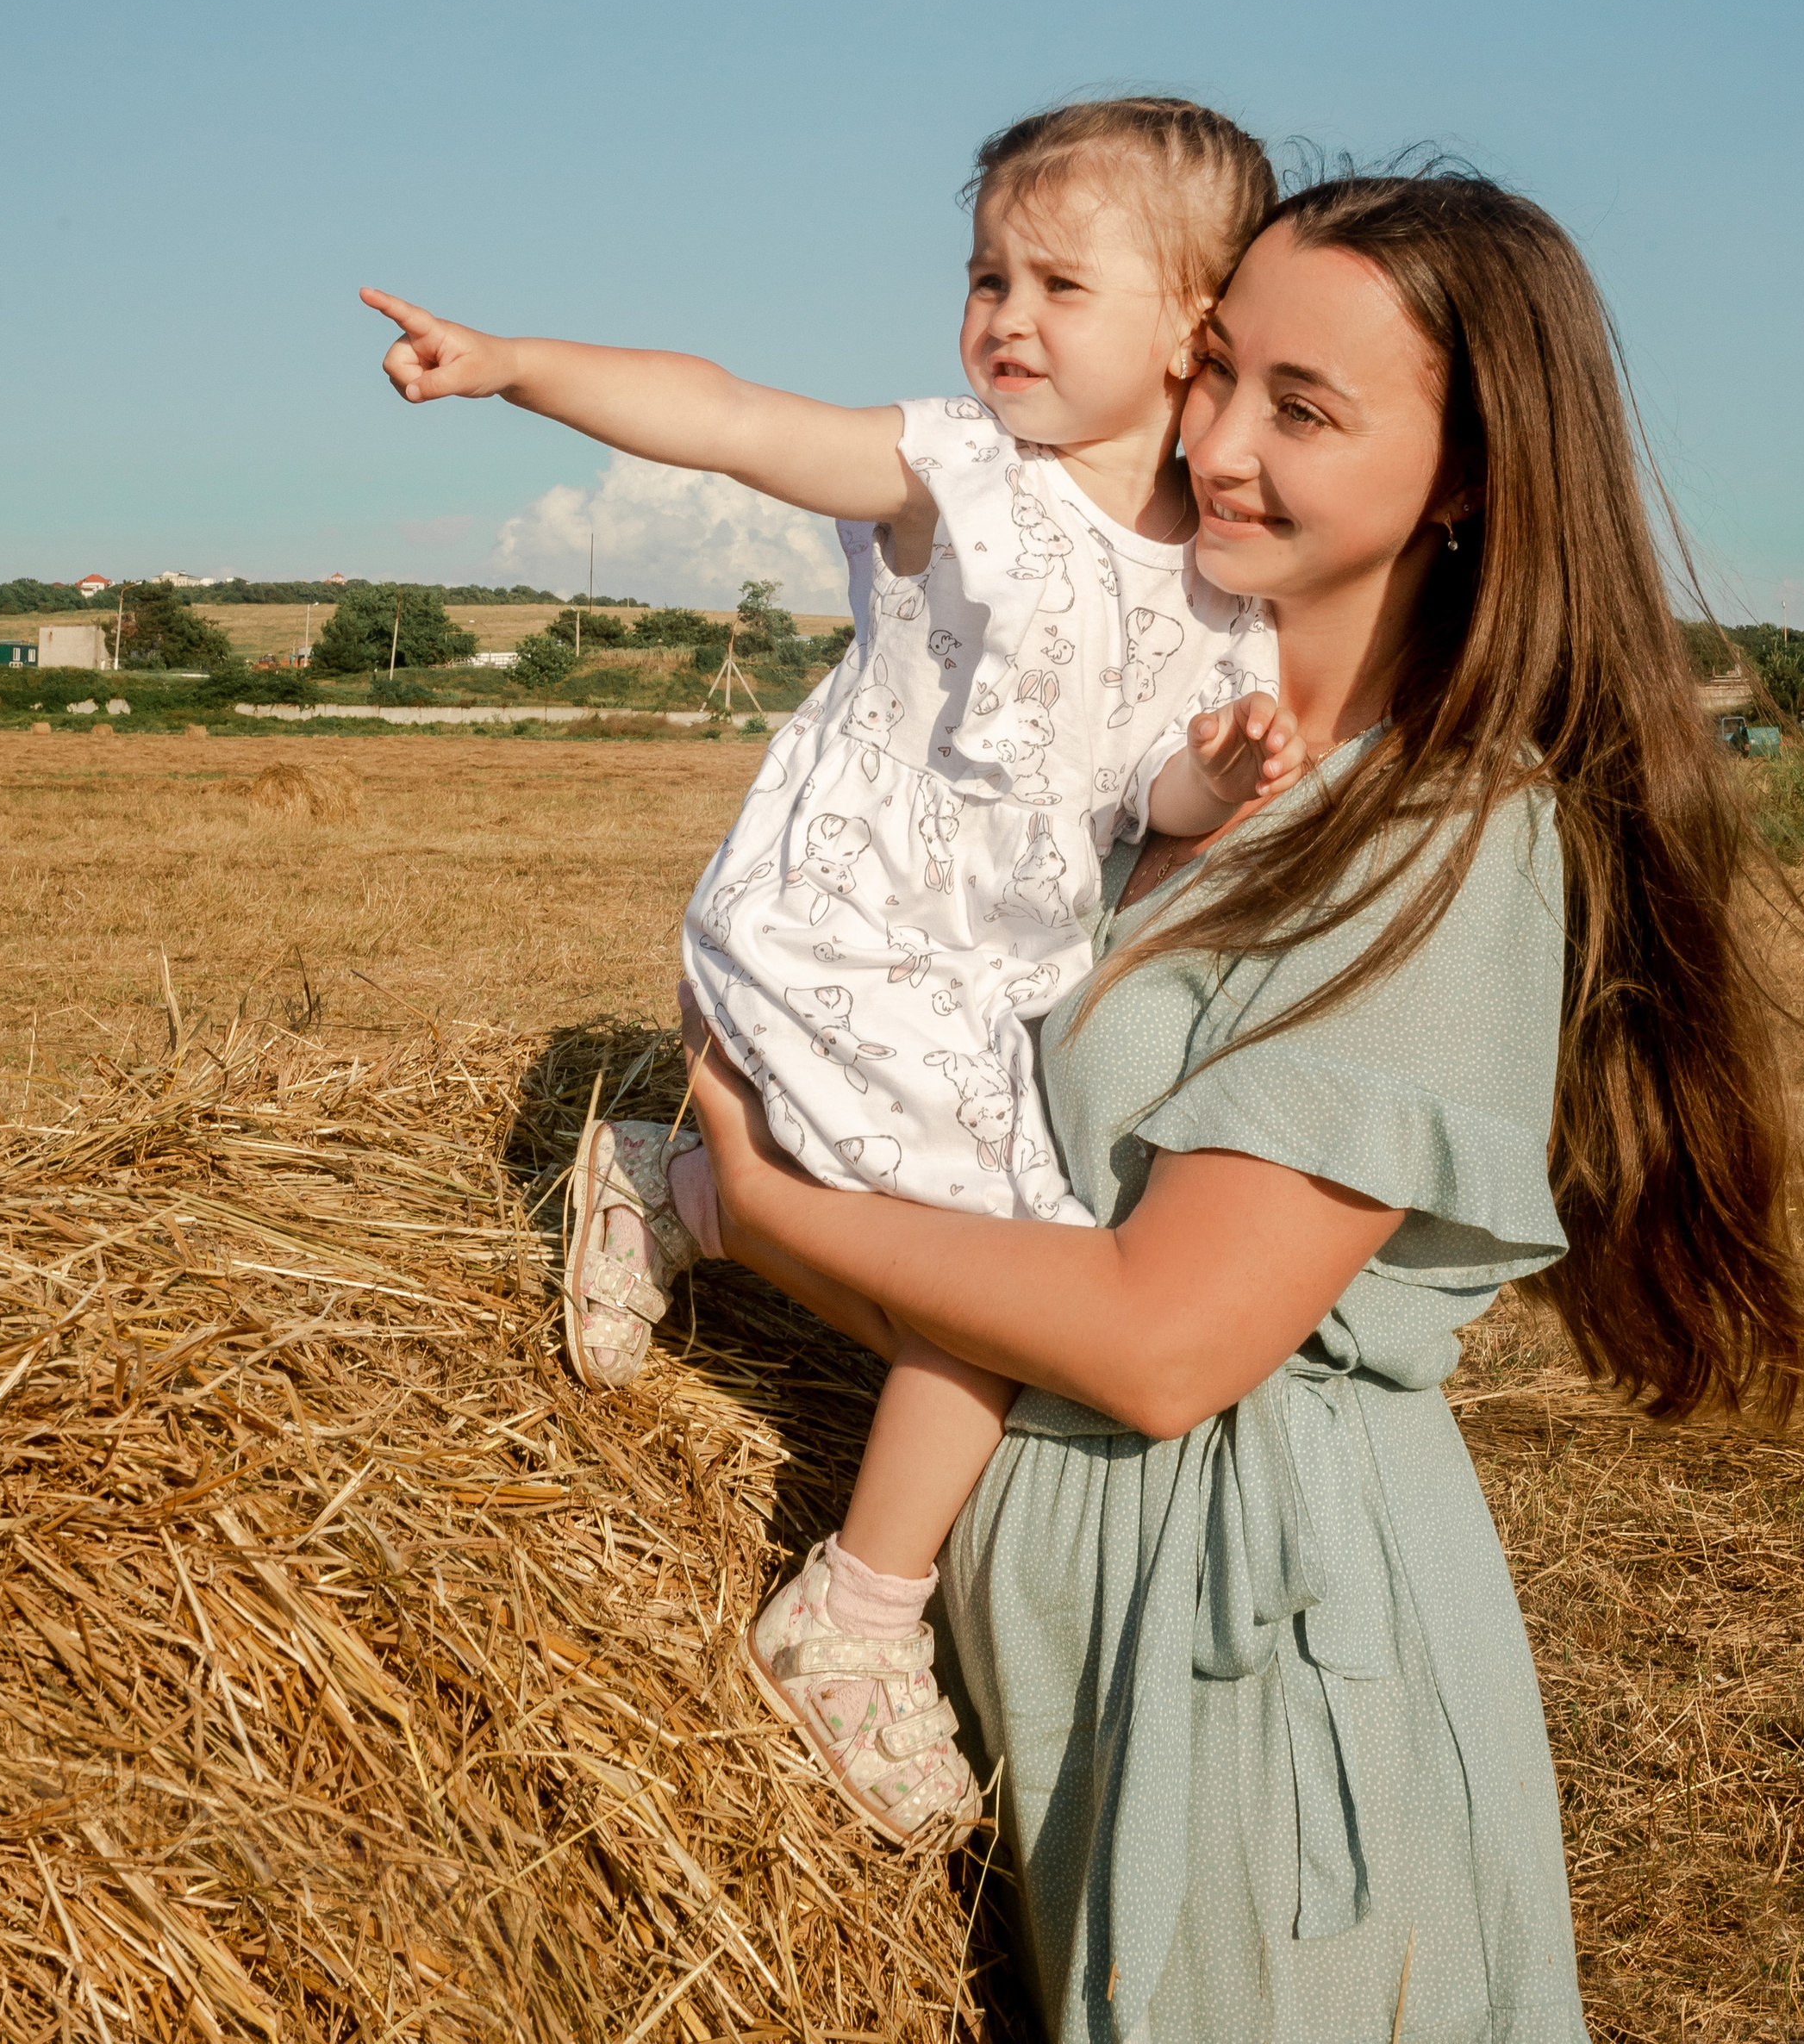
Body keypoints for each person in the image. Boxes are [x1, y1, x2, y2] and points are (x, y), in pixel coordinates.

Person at [676, 161, 1804, 2042]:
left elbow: (1154, 1343)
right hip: (1085, 1638)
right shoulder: (1158, 777)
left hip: (1257, 1668)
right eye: (1213, 376)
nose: (1212, 443)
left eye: (1302, 409)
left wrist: (754, 1204)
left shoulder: (1449, 839)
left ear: (1463, 476)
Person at [362, 95, 1311, 1838]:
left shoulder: (1218, 597)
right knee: (1004, 1279)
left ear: (1195, 329)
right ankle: (853, 1621)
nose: (1001, 317)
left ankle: (684, 1197)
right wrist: (511, 365)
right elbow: (728, 419)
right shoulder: (955, 478)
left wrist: (1221, 778)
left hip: (975, 988)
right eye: (981, 276)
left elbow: (1135, 790)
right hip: (841, 935)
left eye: (1054, 283)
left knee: (1005, 1304)